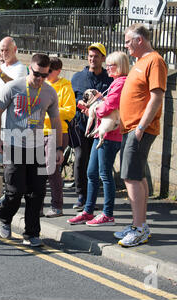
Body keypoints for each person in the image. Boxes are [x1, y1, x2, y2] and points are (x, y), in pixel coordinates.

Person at [0, 53, 63, 247]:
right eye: (37, 74)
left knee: (37, 192)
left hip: (38, 145)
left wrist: (58, 147)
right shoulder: (13, 87)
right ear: (29, 69)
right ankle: (5, 218)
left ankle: (31, 233)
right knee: (15, 191)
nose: (40, 78)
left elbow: (56, 121)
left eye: (45, 75)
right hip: (13, 145)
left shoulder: (49, 92)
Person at [116, 23, 167, 247]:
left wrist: (140, 128)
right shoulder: (140, 62)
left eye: (128, 41)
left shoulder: (155, 61)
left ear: (139, 40)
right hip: (130, 128)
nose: (126, 46)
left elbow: (156, 97)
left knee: (130, 177)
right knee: (138, 176)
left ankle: (139, 228)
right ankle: (139, 224)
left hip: (139, 128)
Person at [67, 51, 128, 226]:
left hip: (111, 135)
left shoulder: (121, 83)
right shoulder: (115, 82)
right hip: (102, 132)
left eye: (111, 65)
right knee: (91, 173)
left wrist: (95, 108)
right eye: (107, 64)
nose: (107, 67)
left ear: (120, 66)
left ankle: (107, 213)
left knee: (104, 174)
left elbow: (108, 107)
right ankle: (88, 210)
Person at [70, 43, 112, 211]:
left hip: (101, 126)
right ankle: (81, 194)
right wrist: (80, 104)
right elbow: (72, 99)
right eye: (90, 56)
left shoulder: (109, 79)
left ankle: (92, 197)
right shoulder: (78, 77)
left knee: (96, 163)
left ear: (103, 58)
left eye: (96, 56)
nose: (92, 59)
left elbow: (110, 99)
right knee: (80, 158)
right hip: (81, 124)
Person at [42, 57, 76, 217]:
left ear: (58, 71)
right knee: (38, 171)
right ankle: (38, 205)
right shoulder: (41, 83)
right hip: (39, 131)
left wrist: (49, 110)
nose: (47, 73)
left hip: (57, 132)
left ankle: (57, 206)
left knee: (52, 170)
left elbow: (70, 111)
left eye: (50, 71)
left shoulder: (65, 86)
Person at [0, 36, 28, 132]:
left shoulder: (20, 68)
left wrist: (0, 73)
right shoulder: (1, 67)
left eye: (7, 50)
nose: (3, 53)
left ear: (15, 49)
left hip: (10, 122)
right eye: (1, 50)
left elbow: (15, 89)